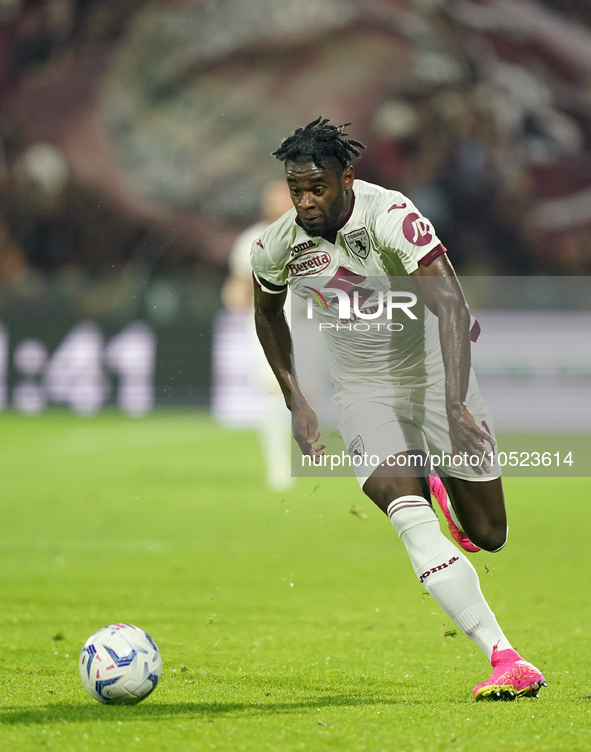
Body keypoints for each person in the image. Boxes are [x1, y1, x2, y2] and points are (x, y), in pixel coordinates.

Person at [250, 117, 546, 701]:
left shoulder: (390, 217)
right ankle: (504, 657)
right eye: (296, 191)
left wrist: (455, 403)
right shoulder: (279, 244)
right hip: (362, 389)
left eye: (318, 189)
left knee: (491, 534)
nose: (306, 203)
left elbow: (453, 309)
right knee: (406, 513)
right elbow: (266, 313)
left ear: (347, 179)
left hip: (436, 374)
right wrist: (296, 401)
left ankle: (440, 481)